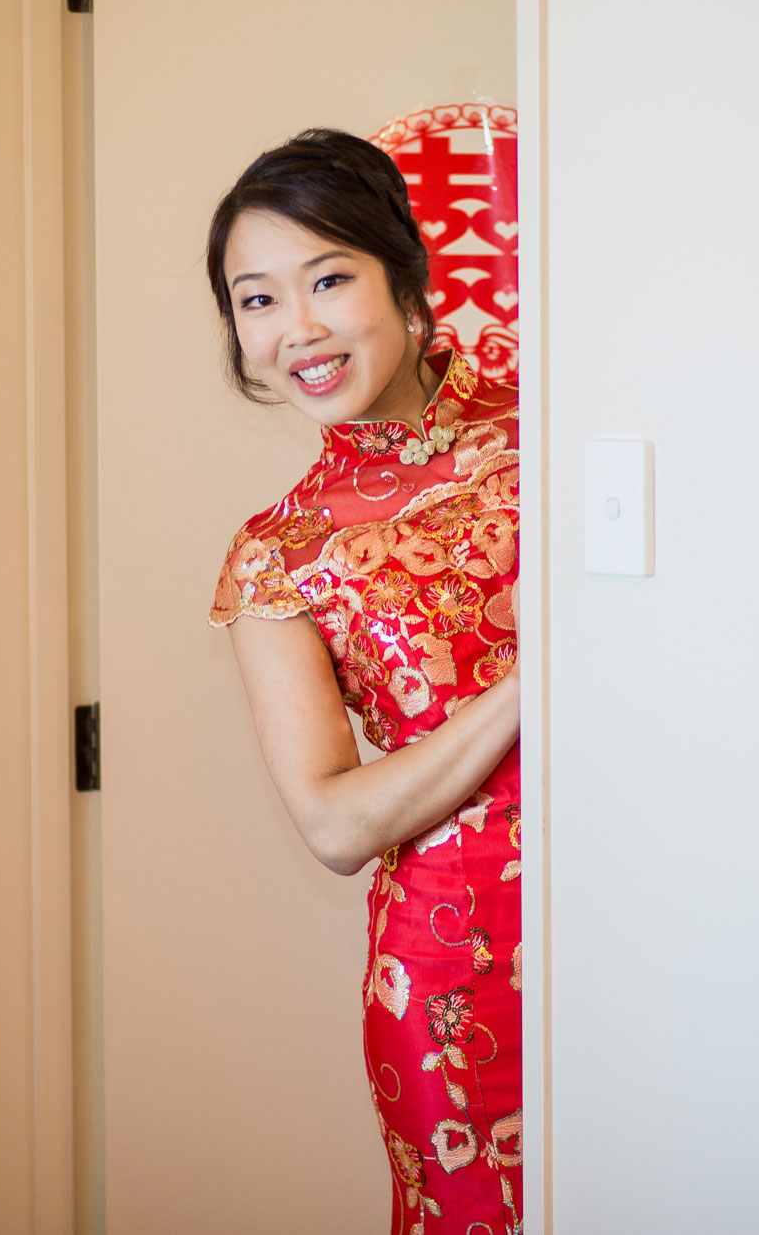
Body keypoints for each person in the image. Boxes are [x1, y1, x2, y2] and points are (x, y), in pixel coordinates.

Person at [206, 128, 523, 1235]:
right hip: (454, 976)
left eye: (328, 279)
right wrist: (530, 688)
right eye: (255, 300)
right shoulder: (274, 557)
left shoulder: (552, 417)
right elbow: (334, 823)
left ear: (404, 276)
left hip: (660, 904)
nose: (295, 330)